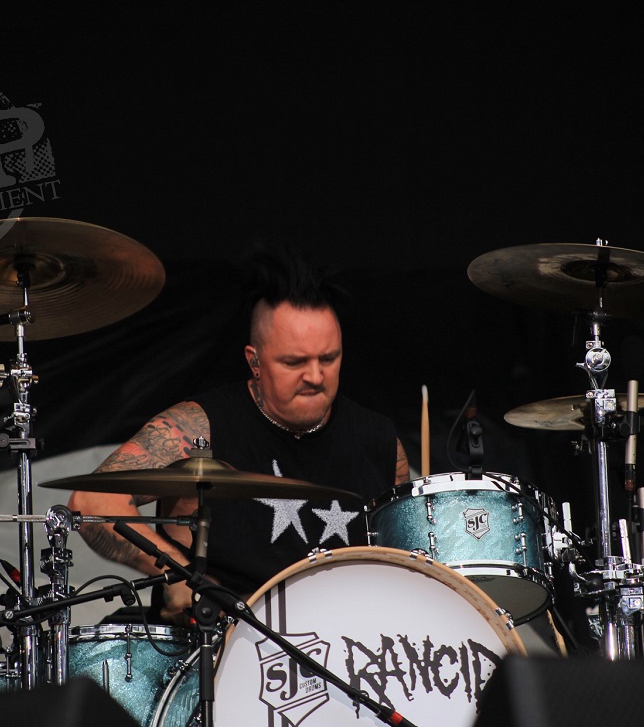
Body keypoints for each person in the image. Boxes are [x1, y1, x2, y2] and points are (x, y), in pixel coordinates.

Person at [68, 257, 410, 623]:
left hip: (347, 644)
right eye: (294, 362)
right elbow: (90, 501)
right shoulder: (199, 427)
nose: (315, 376)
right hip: (222, 643)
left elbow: (410, 564)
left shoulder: (380, 442)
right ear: (255, 362)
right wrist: (179, 575)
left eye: (328, 358)